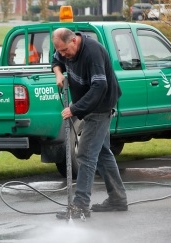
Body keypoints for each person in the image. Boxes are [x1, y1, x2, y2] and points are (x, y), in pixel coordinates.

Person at [51, 28, 128, 220]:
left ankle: (80, 206)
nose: (62, 55)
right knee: (102, 152)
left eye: (64, 51)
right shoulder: (65, 49)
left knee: (85, 153)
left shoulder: (93, 52)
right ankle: (118, 199)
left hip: (100, 107)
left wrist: (75, 109)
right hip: (86, 104)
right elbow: (55, 60)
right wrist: (58, 73)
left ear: (74, 41)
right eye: (60, 51)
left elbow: (100, 86)